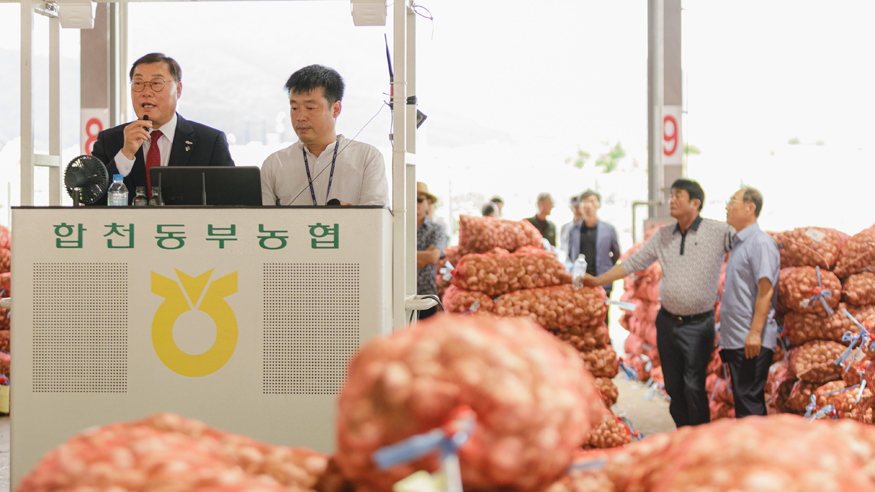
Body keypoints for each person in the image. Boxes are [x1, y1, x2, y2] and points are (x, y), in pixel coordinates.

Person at [584, 178, 734, 427]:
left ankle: (700, 438)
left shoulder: (718, 232)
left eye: (678, 196)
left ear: (695, 203)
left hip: (699, 324)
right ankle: (684, 434)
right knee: (674, 387)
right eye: (671, 195)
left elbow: (747, 245)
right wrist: (599, 280)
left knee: (694, 385)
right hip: (667, 322)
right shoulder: (664, 235)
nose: (671, 200)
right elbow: (634, 262)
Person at [91, 53, 234, 204]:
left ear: (178, 89)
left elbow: (231, 202)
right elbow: (91, 200)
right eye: (138, 83)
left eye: (156, 83)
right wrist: (125, 155)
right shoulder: (109, 141)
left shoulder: (209, 142)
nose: (146, 92)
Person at [261, 65, 389, 206]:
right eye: (294, 108)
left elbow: (377, 220)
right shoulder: (274, 164)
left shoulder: (367, 158)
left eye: (310, 108)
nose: (300, 117)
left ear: (335, 109)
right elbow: (258, 222)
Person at [720, 186, 779, 417]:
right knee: (744, 403)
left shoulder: (760, 243)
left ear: (750, 207)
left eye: (732, 201)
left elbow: (766, 290)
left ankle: (758, 452)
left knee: (749, 403)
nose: (727, 207)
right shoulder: (740, 243)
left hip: (751, 340)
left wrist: (755, 332)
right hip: (738, 339)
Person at [567, 190, 620, 322]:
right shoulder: (574, 229)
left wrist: (606, 267)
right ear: (580, 206)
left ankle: (605, 341)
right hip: (581, 281)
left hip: (602, 279)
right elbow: (570, 254)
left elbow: (616, 253)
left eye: (592, 201)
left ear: (598, 205)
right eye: (585, 202)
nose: (589, 206)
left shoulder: (608, 229)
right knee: (581, 317)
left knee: (602, 317)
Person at [416, 182, 447, 319]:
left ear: (428, 203)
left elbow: (433, 257)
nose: (415, 203)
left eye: (419, 199)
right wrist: (422, 257)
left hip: (426, 298)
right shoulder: (394, 228)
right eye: (410, 198)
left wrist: (400, 257)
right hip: (398, 298)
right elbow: (387, 257)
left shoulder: (436, 229)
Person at [559, 195, 583, 259]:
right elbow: (563, 247)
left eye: (579, 207)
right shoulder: (565, 227)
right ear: (571, 208)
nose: (578, 210)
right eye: (575, 207)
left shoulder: (589, 227)